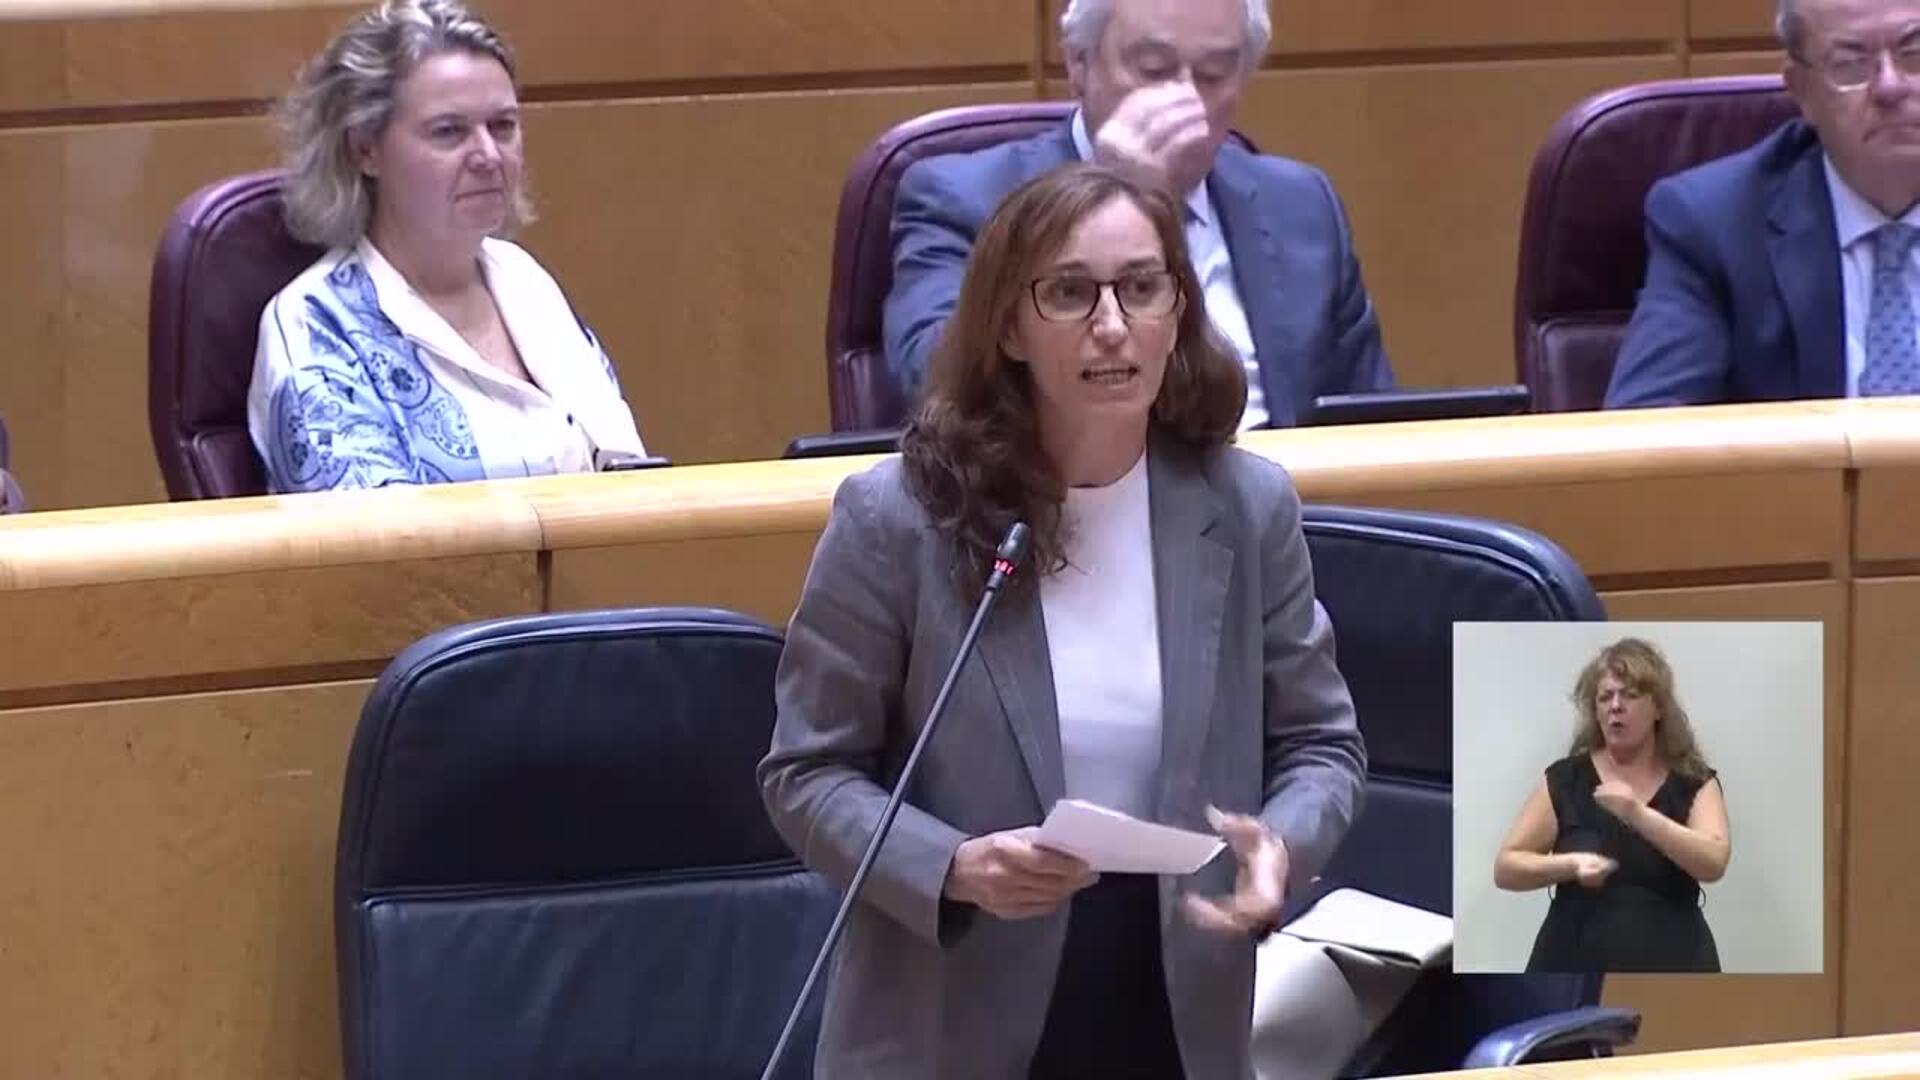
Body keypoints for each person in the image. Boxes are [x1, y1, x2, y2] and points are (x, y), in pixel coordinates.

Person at [760, 163, 1367, 1078]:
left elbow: (1323, 747)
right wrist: (953, 865)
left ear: (1178, 311)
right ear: (1008, 326)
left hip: (1178, 998)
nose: (1112, 325)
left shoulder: (1245, 508)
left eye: (1142, 287)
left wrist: (1280, 844)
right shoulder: (901, 519)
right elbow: (806, 773)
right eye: (1071, 293)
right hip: (957, 1012)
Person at [883, 0, 1394, 430]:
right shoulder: (959, 198)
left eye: (1215, 74)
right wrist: (1116, 199)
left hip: (1293, 505)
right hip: (1060, 506)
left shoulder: (1302, 205)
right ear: (1078, 63)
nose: (1185, 100)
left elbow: (1376, 424)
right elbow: (937, 382)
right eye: (1153, 70)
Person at [248, 0, 645, 493]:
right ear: (365, 149)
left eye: (503, 126)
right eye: (449, 132)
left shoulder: (524, 279)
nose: (488, 155)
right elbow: (375, 534)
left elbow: (629, 475)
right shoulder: (315, 324)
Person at [1607, 0, 1920, 406]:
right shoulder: (1714, 223)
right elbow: (1646, 427)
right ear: (1802, 92)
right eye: (1849, 64)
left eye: (1915, 52)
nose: (1891, 87)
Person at [1494, 638, 1730, 973]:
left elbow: (1713, 863)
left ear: (1659, 708)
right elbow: (1506, 868)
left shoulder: (1694, 781)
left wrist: (1638, 814)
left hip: (1676, 964)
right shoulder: (1567, 779)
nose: (1615, 706)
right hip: (1572, 962)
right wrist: (1569, 864)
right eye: (1605, 697)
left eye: (1629, 695)